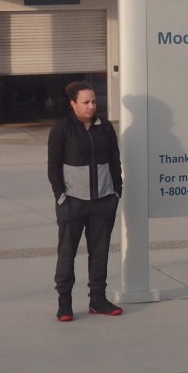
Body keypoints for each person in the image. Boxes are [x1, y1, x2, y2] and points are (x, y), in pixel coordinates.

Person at [47, 80, 123, 321]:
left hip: (103, 202)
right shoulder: (61, 130)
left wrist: (116, 192)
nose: (92, 106)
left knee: (100, 252)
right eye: (86, 102)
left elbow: (114, 160)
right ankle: (65, 302)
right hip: (73, 203)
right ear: (73, 104)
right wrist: (61, 197)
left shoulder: (105, 127)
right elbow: (53, 167)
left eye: (94, 101)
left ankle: (98, 300)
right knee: (67, 253)